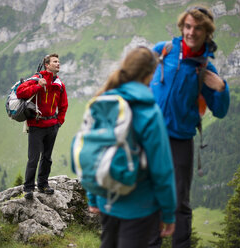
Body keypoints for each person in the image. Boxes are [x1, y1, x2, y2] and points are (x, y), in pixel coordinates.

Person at [149, 6, 230, 248]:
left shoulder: (205, 69)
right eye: (187, 26)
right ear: (182, 27)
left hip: (180, 140)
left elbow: (221, 111)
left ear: (207, 32)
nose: (191, 32)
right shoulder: (164, 50)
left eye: (197, 28)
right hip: (151, 136)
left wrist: (221, 88)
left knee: (179, 203)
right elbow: (137, 77)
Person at [87, 46, 177, 248]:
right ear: (150, 74)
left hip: (107, 199)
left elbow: (93, 153)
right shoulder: (150, 112)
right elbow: (162, 170)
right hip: (139, 206)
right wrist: (169, 214)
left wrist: (93, 196)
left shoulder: (104, 100)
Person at [16, 53, 68, 199]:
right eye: (55, 61)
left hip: (52, 125)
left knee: (47, 157)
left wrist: (59, 121)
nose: (58, 64)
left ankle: (43, 185)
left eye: (59, 61)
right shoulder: (35, 79)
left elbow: (63, 105)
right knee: (33, 158)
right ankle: (28, 188)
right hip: (36, 125)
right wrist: (38, 86)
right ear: (47, 65)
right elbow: (21, 92)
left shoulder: (59, 84)